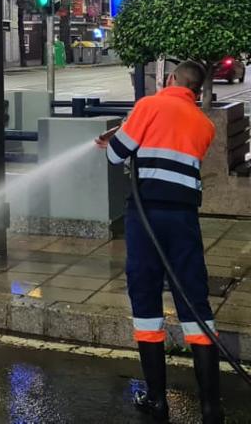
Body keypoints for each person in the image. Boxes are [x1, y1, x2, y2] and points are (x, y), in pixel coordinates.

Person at [96, 60, 221, 424]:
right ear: (196, 90)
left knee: (146, 296)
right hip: (184, 219)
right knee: (193, 300)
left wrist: (112, 141)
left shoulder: (148, 105)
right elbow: (172, 148)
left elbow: (116, 154)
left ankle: (156, 400)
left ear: (169, 80)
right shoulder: (205, 124)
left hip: (146, 216)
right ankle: (212, 407)